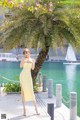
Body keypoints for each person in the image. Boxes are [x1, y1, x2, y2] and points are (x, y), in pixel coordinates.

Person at [20, 48, 39, 116]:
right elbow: (20, 66)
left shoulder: (32, 60)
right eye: (24, 52)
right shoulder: (23, 59)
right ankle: (24, 110)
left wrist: (32, 62)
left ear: (29, 53)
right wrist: (24, 61)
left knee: (31, 92)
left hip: (28, 77)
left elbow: (33, 68)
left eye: (27, 52)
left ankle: (36, 109)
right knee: (23, 93)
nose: (25, 53)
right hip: (23, 76)